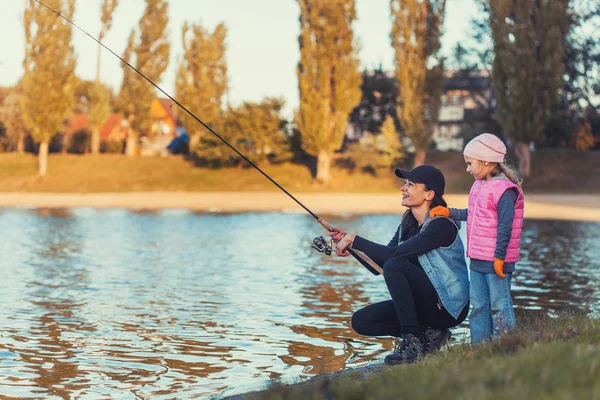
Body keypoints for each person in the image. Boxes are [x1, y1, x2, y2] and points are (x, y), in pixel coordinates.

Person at [330, 165, 470, 365]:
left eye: (411, 184)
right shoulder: (408, 223)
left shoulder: (441, 225)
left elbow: (394, 257)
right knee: (361, 322)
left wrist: (356, 239)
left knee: (395, 264)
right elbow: (380, 265)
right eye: (405, 183)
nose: (403, 188)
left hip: (448, 307)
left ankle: (412, 342)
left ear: (429, 194)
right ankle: (430, 336)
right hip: (425, 303)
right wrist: (350, 244)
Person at [430, 133, 524, 344]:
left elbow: (505, 227)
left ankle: (506, 344)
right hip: (478, 259)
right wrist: (449, 212)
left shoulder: (504, 190)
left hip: (497, 261)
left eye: (470, 163)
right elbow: (473, 214)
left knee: (499, 305)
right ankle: (480, 347)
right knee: (479, 305)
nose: (467, 168)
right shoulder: (479, 186)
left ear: (486, 161)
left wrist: (499, 257)